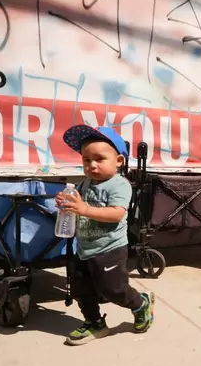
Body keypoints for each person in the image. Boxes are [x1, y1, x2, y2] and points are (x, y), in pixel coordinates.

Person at [57, 124, 155, 346]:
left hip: (109, 249)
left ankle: (140, 304)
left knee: (114, 289)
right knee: (82, 290)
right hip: (84, 247)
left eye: (99, 159)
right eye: (86, 160)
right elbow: (75, 206)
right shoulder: (83, 185)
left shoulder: (119, 185)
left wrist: (84, 209)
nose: (91, 165)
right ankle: (94, 323)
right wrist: (66, 203)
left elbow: (116, 214)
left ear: (118, 161)